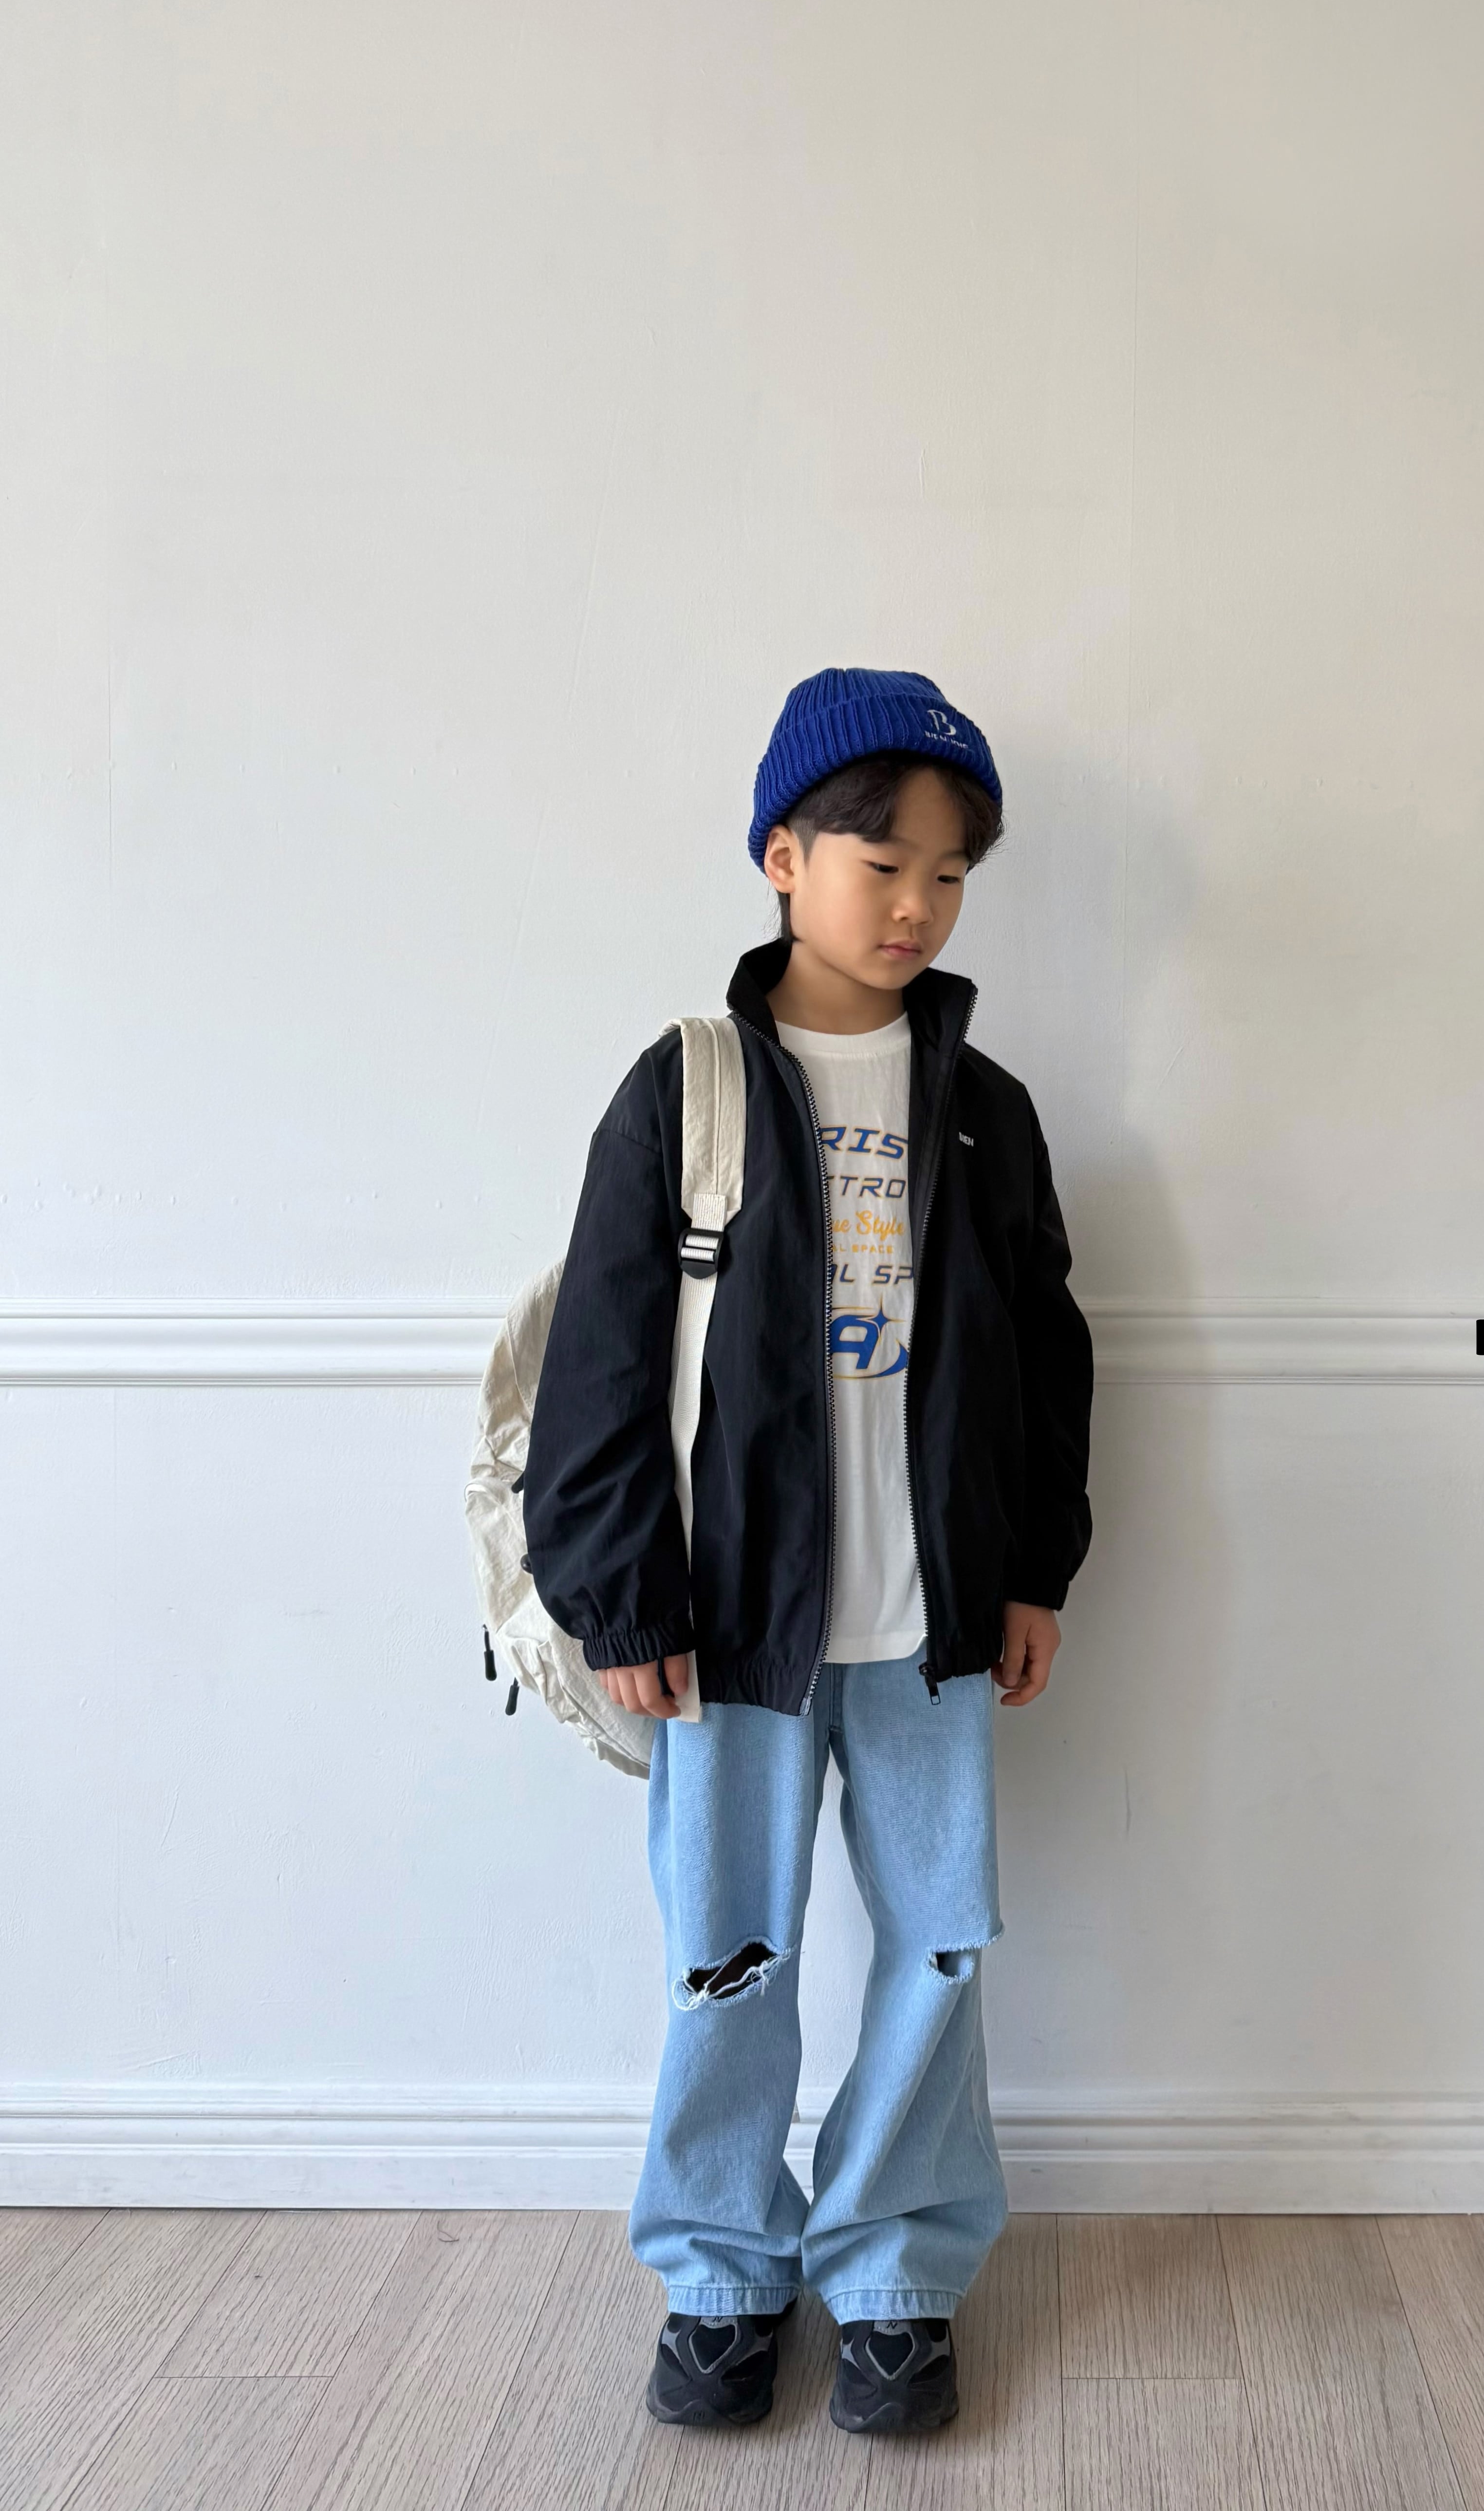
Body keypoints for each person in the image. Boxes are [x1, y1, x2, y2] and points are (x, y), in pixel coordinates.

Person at [521, 666, 1094, 2437]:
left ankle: (895, 2272)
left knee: (939, 1945)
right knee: (728, 1955)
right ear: (782, 856)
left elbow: (1046, 1354)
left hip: (931, 1629)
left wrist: (1033, 1568)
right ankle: (718, 2269)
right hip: (726, 1632)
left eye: (950, 874)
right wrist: (620, 1592)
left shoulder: (984, 1105)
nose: (916, 904)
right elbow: (599, 1362)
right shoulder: (683, 1089)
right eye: (880, 863)